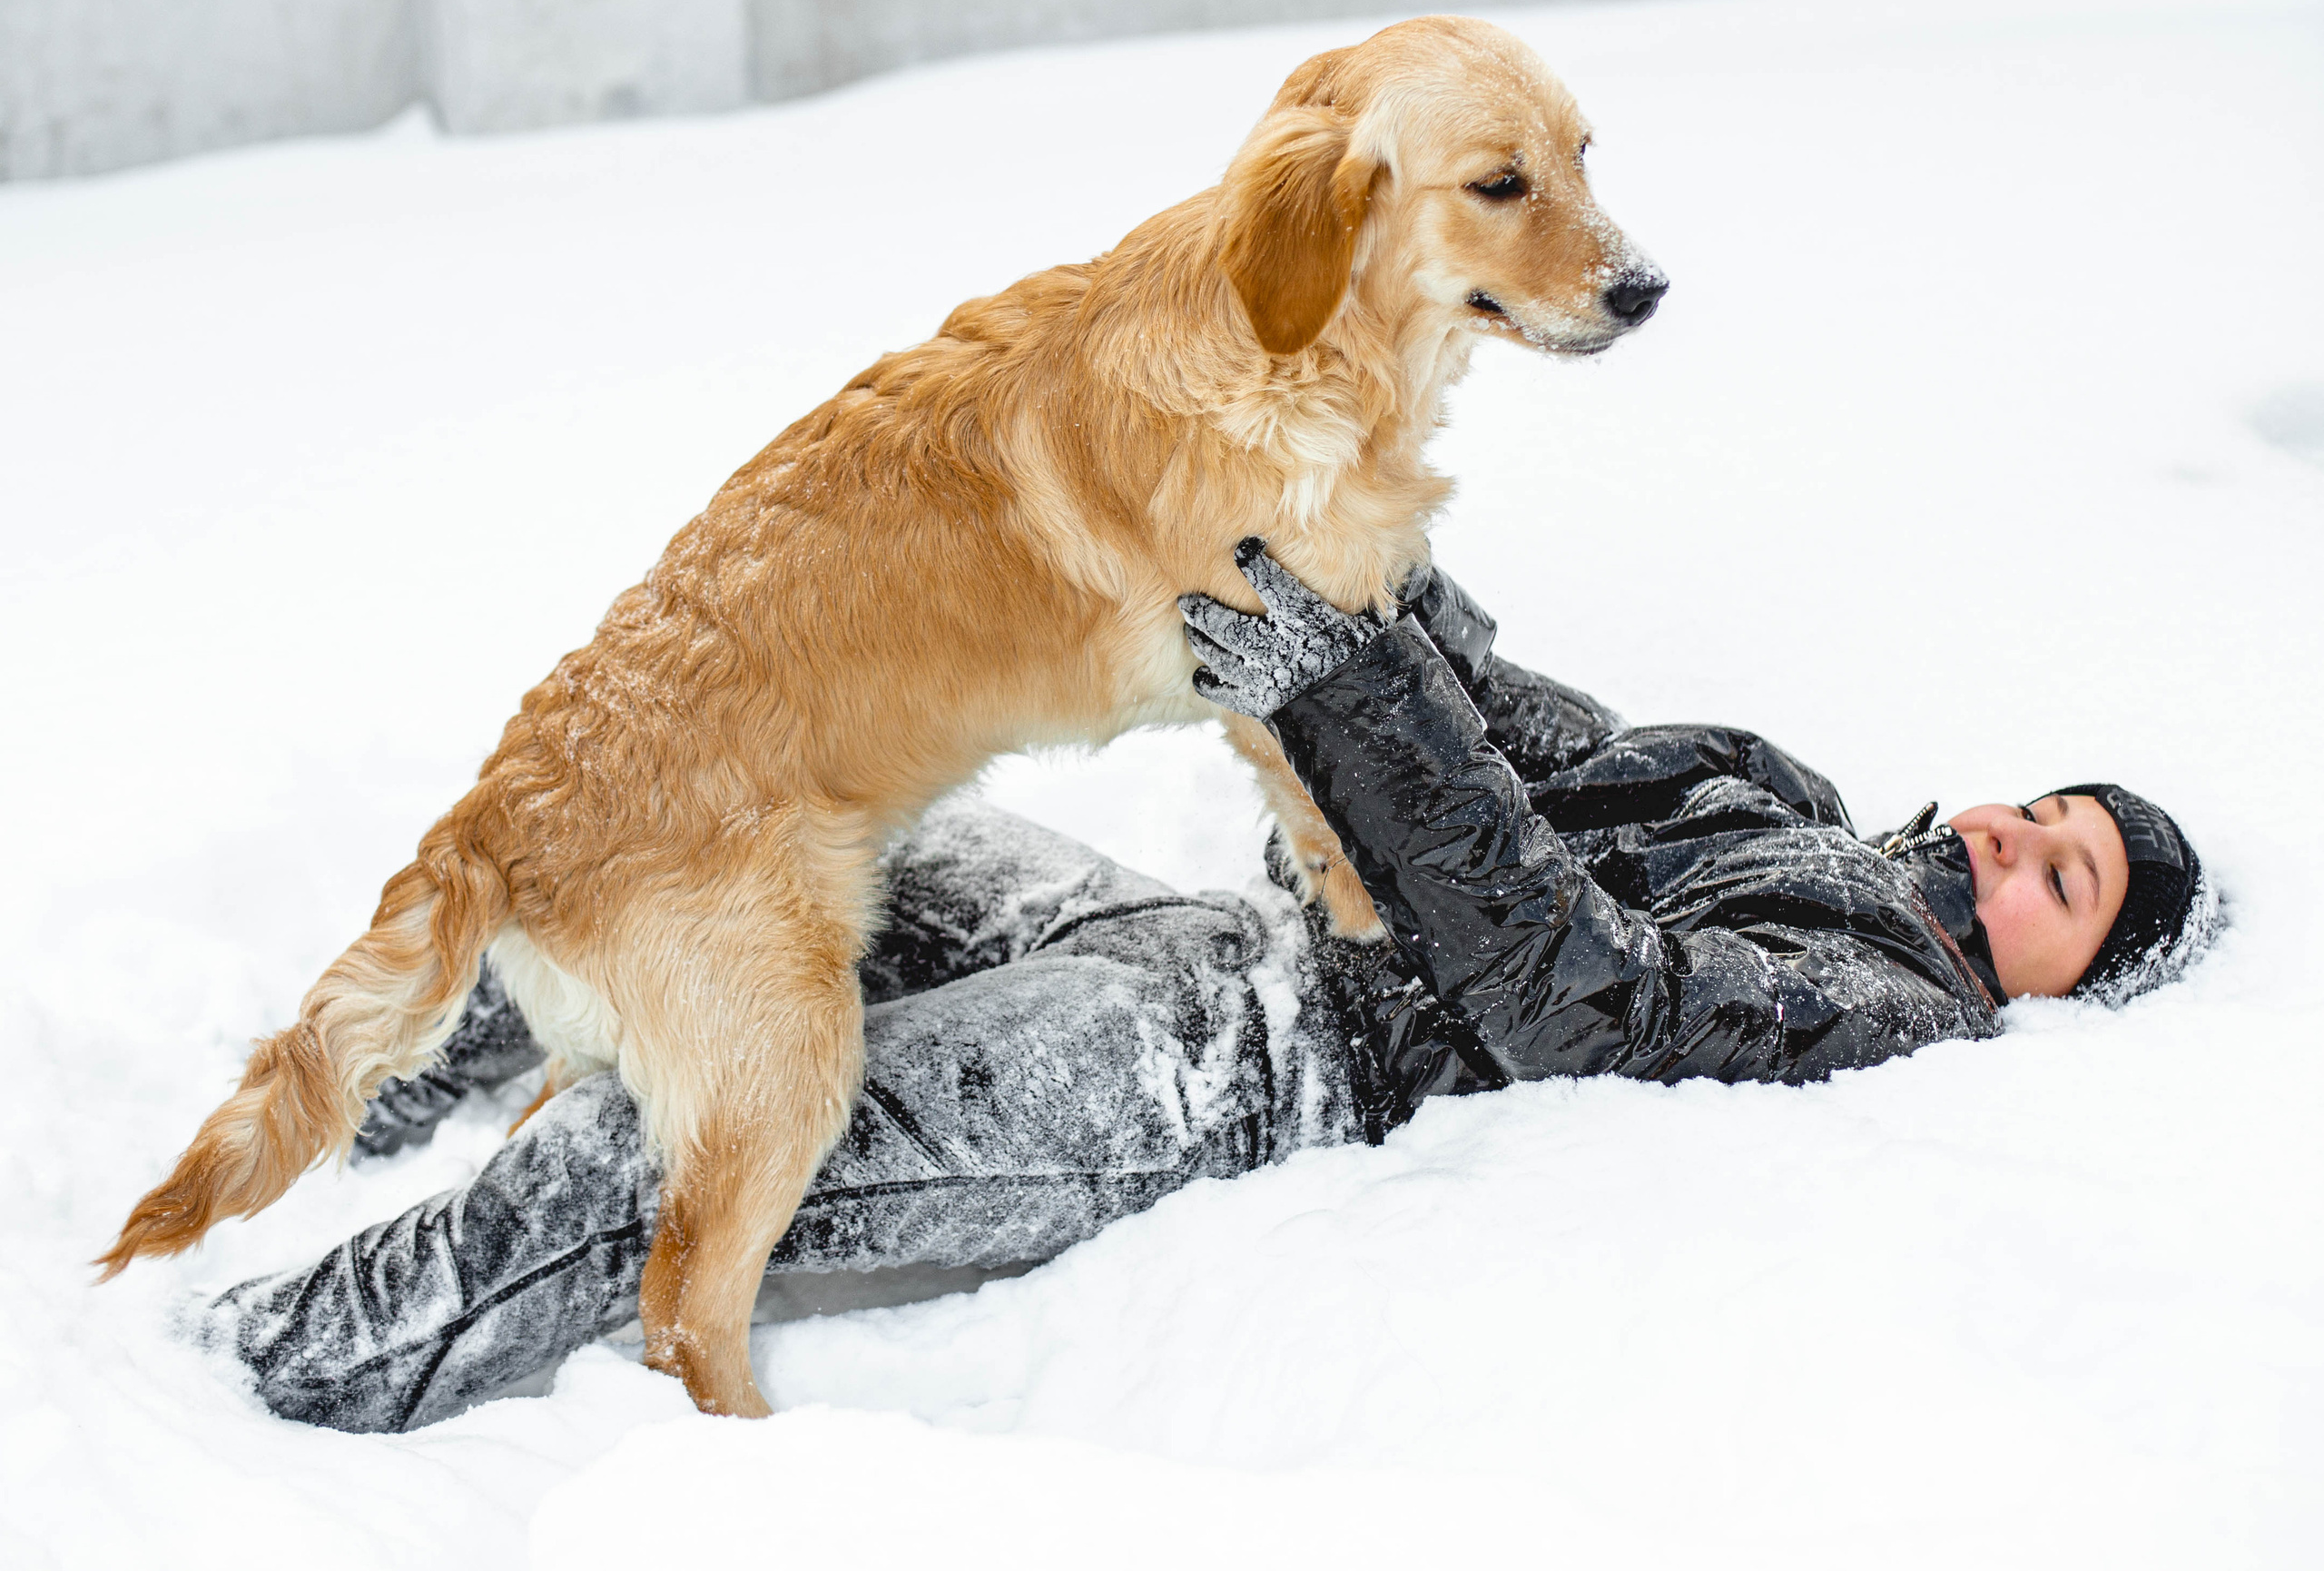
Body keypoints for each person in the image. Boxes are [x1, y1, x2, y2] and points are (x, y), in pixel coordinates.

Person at [197, 547, 2216, 1432]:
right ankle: (377, 1089)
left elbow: (1579, 1002)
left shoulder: (1879, 1008)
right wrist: (1350, 553)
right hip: (1203, 936)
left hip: (1242, 1062)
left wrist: (1342, 679)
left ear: (2069, 988)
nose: (2009, 848)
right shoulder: (1784, 801)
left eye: (2063, 883)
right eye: (2035, 812)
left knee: (689, 1156)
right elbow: (1528, 745)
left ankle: (252, 1380)